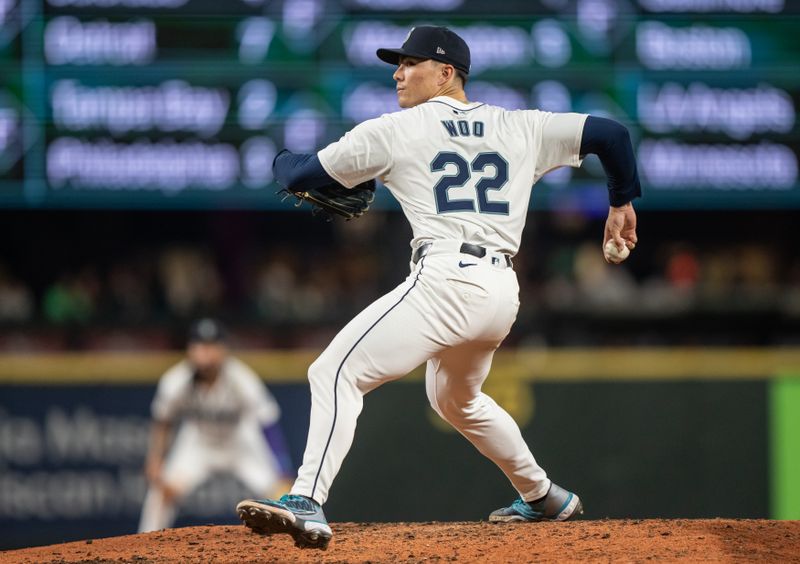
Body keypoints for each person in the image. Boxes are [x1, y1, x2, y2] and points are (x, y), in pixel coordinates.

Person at [237, 26, 640, 549]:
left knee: (335, 371)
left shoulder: (396, 130)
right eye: (396, 65)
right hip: (500, 292)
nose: (398, 74)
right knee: (454, 397)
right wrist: (621, 201)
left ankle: (307, 501)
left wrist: (277, 160)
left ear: (446, 73)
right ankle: (544, 496)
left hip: (447, 279)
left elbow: (300, 174)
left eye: (411, 64)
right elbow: (613, 136)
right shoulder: (521, 125)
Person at [138, 318, 293, 532]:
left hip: (239, 442)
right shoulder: (176, 380)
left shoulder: (242, 379)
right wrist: (155, 459)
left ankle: (296, 550)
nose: (205, 352)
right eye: (200, 345)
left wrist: (282, 467)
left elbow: (267, 421)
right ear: (190, 349)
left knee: (279, 493)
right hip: (199, 442)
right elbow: (163, 420)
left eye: (211, 345)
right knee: (161, 493)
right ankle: (144, 546)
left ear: (223, 349)